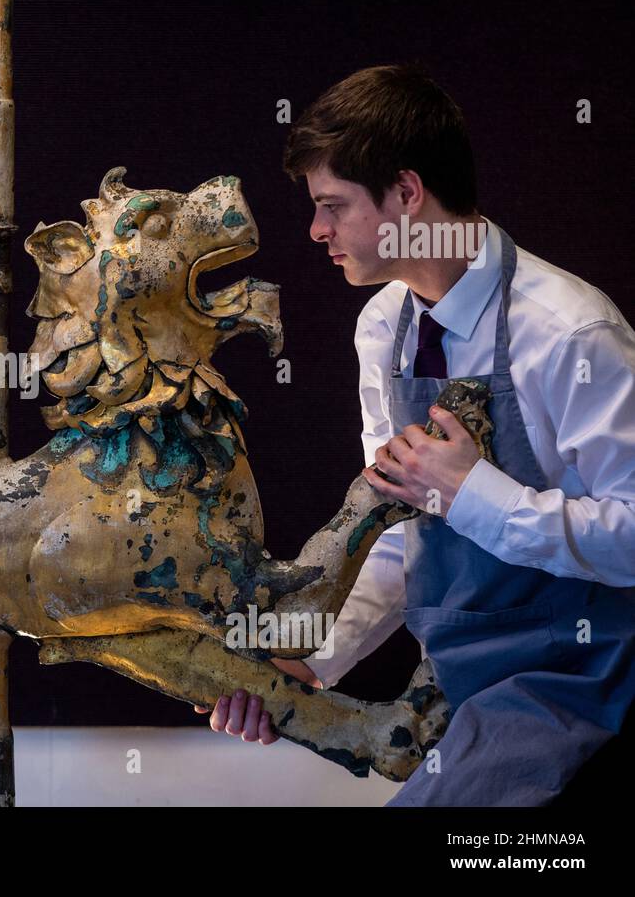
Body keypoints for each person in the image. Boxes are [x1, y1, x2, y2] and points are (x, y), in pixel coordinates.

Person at [197, 64, 635, 805]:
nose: (316, 230)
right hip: (461, 680)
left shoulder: (570, 332)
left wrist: (476, 493)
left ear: (406, 194)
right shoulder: (383, 328)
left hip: (581, 677)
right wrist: (303, 663)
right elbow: (396, 535)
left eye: (333, 205)